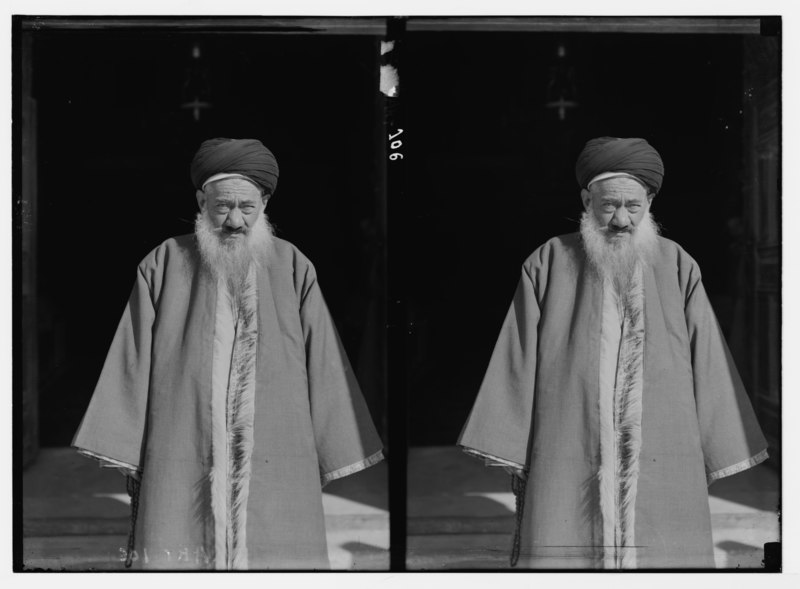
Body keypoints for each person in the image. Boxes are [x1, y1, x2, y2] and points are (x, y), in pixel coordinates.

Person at [73, 138, 384, 570]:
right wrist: (126, 444)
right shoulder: (165, 261)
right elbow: (131, 359)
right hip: (182, 442)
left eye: (247, 208)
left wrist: (333, 440)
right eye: (222, 207)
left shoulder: (293, 264)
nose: (234, 221)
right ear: (202, 201)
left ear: (266, 203)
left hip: (279, 444)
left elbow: (325, 362)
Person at [458, 137, 768, 569]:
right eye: (608, 206)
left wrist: (718, 440)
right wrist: (511, 438)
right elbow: (517, 356)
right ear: (587, 200)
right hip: (569, 435)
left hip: (666, 439)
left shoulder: (678, 263)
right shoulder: (550, 260)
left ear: (650, 202)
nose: (621, 219)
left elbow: (709, 360)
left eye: (633, 207)